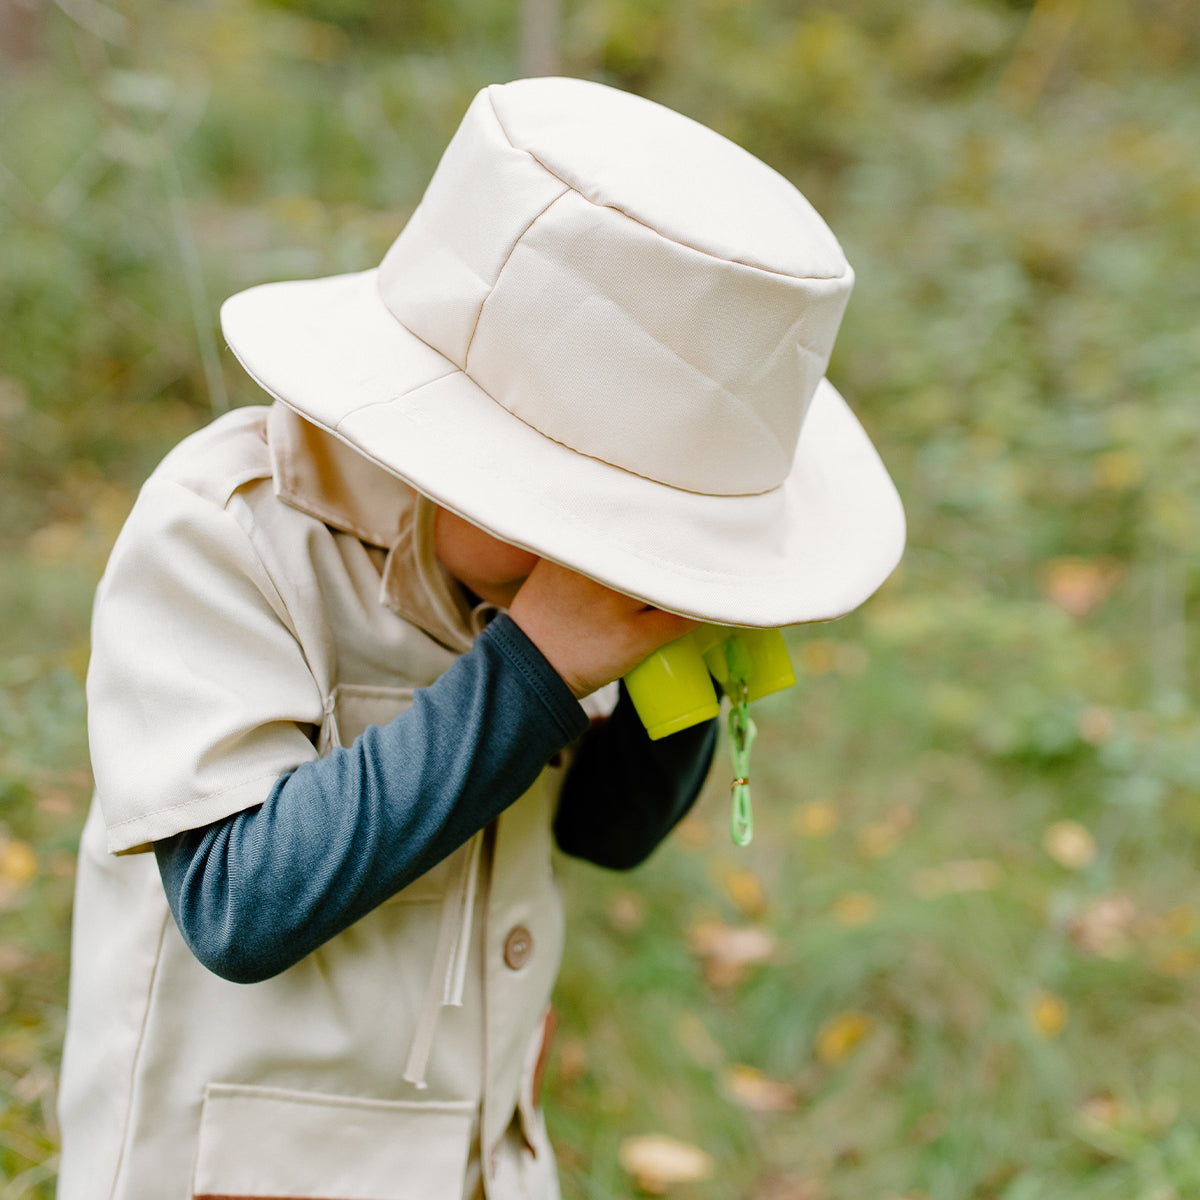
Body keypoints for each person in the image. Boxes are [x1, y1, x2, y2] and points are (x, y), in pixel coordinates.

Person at [56, 76, 905, 1200]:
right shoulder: (235, 528)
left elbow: (608, 833)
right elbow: (235, 902)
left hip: (476, 1158)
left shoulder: (575, 579)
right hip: (241, 1168)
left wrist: (688, 650)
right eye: (635, 520)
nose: (636, 557)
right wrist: (540, 663)